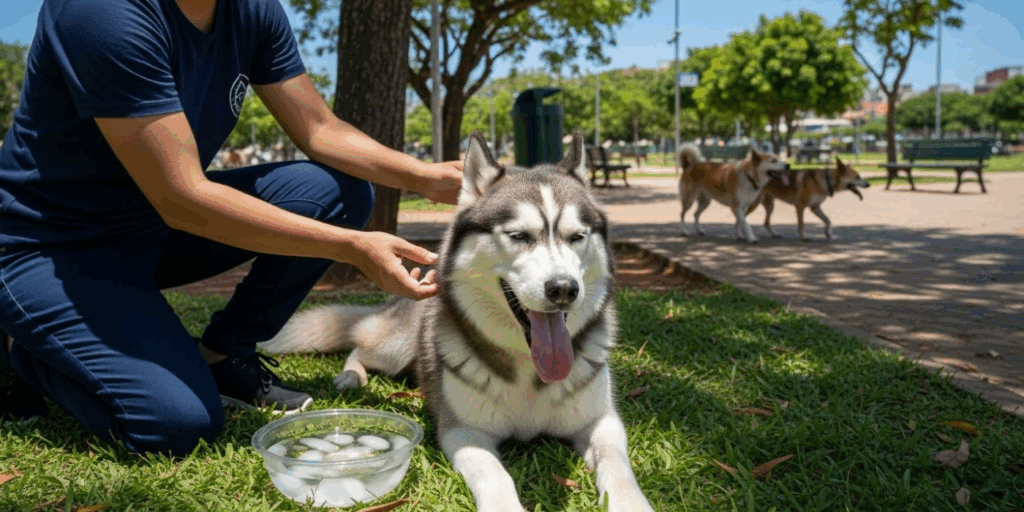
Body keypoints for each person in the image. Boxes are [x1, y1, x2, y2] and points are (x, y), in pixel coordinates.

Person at [0, 0, 461, 456]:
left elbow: (319, 129)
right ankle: (27, 352)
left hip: (149, 228)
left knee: (339, 194)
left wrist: (423, 176)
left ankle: (223, 355)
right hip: (50, 246)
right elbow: (182, 198)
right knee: (175, 426)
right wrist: (352, 247)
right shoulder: (101, 12)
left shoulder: (251, 11)